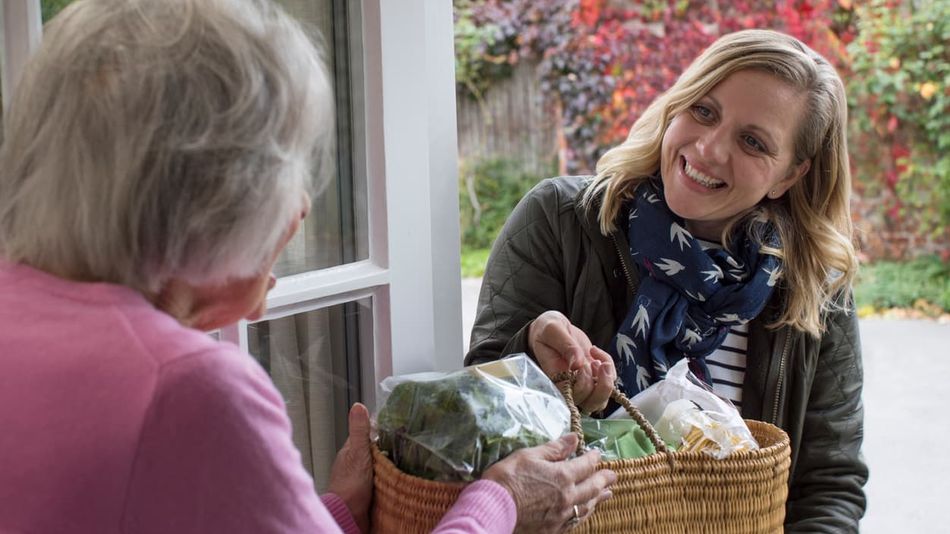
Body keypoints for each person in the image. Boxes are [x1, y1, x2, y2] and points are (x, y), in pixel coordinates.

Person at [0, 0, 616, 532]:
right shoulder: (191, 390)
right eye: (289, 166)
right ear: (213, 196)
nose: (299, 210)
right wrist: (501, 503)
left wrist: (335, 511)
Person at [466, 29, 868, 532]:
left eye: (753, 141)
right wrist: (534, 358)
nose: (708, 148)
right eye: (703, 111)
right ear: (676, 106)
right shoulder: (559, 221)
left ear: (789, 175)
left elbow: (828, 486)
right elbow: (477, 416)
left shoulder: (815, 287)